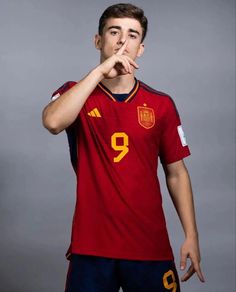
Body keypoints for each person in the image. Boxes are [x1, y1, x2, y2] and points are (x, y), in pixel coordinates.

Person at [42, 3, 205, 291]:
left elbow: (177, 173)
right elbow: (53, 121)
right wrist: (100, 71)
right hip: (91, 247)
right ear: (98, 40)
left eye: (132, 35)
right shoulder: (75, 92)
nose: (121, 41)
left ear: (140, 48)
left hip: (149, 246)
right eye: (114, 31)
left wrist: (191, 235)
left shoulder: (161, 104)